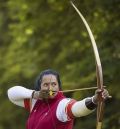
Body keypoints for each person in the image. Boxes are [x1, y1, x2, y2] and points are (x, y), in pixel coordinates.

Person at [7, 69, 110, 129]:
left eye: (54, 84)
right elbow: (11, 93)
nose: (50, 88)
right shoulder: (35, 102)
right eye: (46, 84)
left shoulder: (62, 104)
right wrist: (35, 94)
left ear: (59, 86)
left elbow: (78, 108)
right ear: (40, 87)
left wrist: (95, 100)